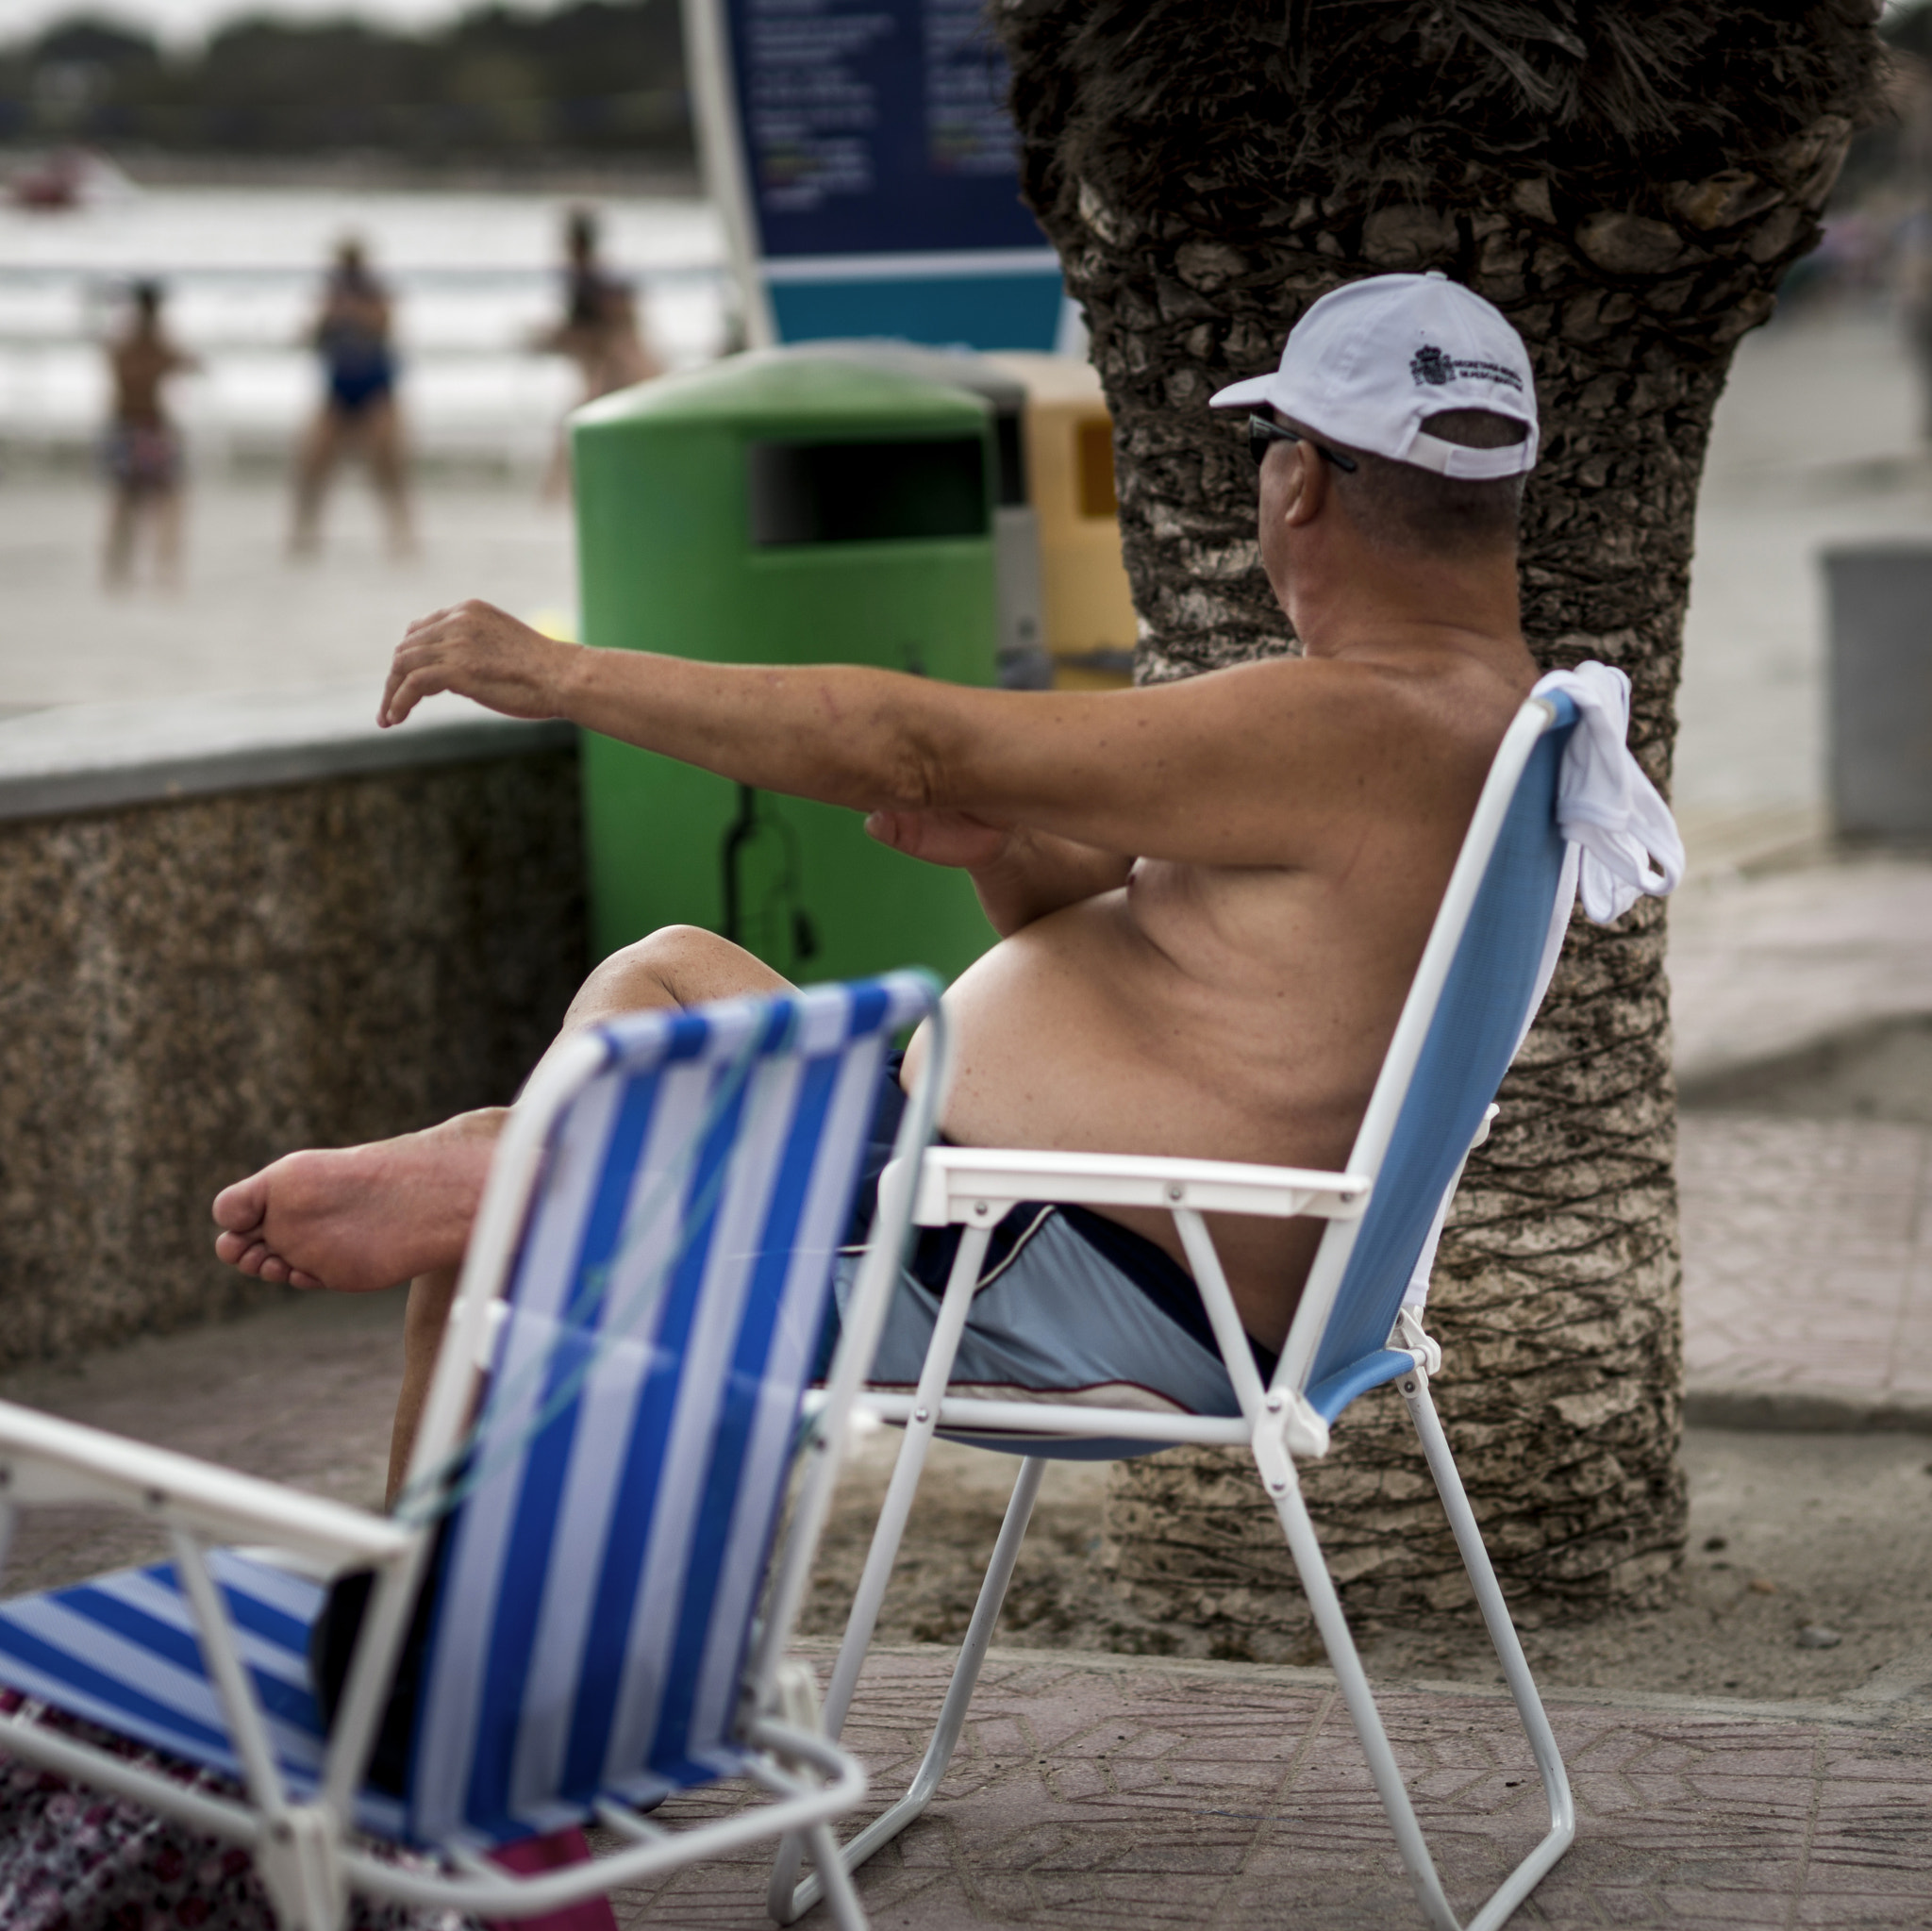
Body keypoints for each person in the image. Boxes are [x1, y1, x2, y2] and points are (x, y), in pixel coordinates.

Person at [212, 273, 1672, 1501]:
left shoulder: (1360, 724)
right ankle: (513, 1197)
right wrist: (1012, 852)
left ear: (1298, 483)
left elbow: (912, 737)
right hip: (1002, 1214)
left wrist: (565, 672)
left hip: (1049, 1277)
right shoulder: (1473, 713)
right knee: (667, 973)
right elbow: (1175, 967)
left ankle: (442, 1647)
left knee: (500, 1221)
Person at [291, 237, 415, 558]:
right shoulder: (331, 296)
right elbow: (310, 338)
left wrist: (351, 312)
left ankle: (401, 534)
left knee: (387, 466)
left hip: (376, 388)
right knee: (314, 462)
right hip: (339, 388)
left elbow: (384, 329)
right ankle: (305, 534)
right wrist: (327, 318)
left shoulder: (375, 293)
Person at [530, 207, 660, 499]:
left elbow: (605, 331)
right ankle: (556, 495)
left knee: (576, 427)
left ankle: (554, 496)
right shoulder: (597, 279)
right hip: (619, 367)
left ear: (574, 243)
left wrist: (551, 339)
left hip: (616, 369)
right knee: (581, 429)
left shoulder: (591, 282)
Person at [101, 279, 197, 591]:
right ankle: (156, 568)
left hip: (132, 425)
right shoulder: (145, 341)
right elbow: (180, 365)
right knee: (160, 499)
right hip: (145, 425)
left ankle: (123, 569)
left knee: (131, 501)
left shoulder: (129, 339)